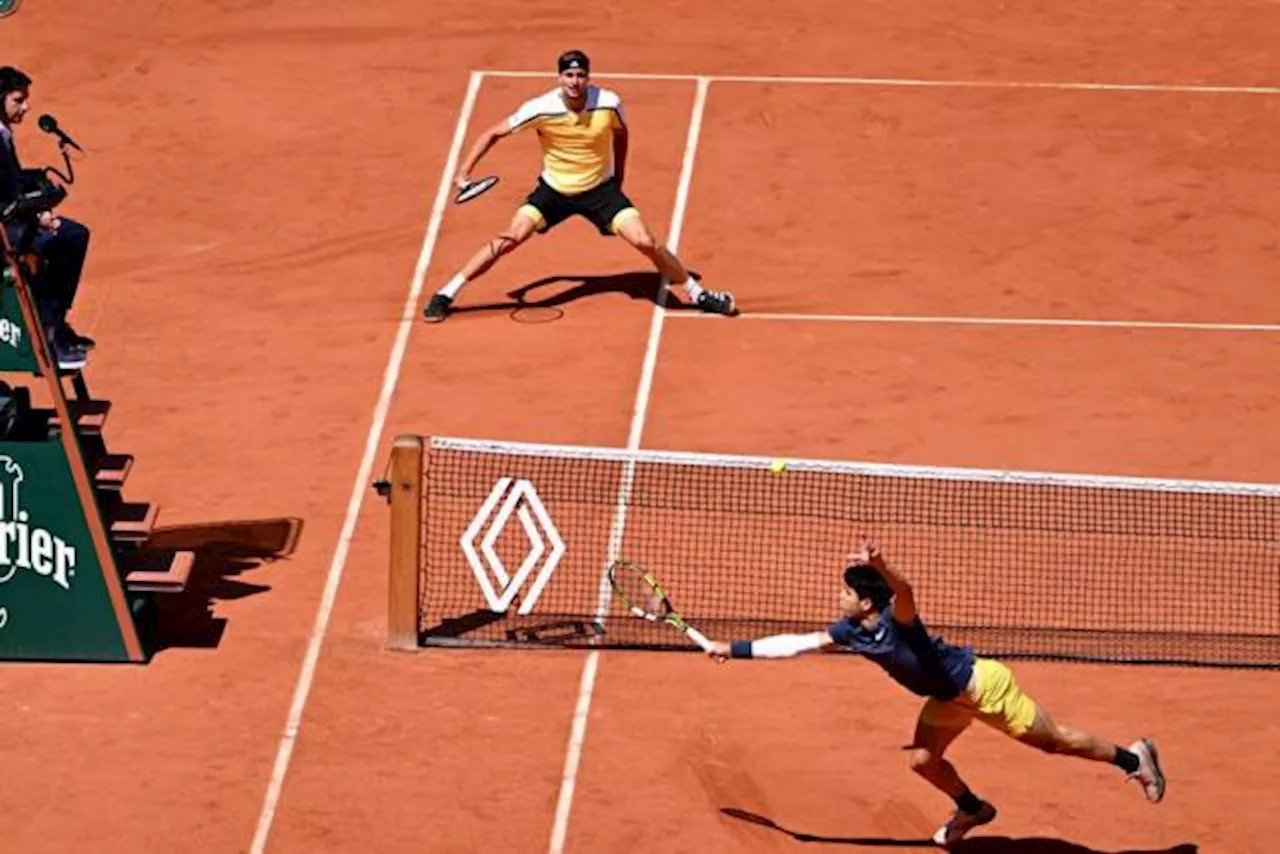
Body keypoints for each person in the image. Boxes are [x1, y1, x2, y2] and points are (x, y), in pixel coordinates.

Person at [705, 540, 1166, 848]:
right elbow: (796, 644)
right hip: (947, 701)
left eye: (846, 592)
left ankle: (1134, 758)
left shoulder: (899, 620)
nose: (839, 598)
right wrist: (734, 649)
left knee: (1055, 742)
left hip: (984, 687)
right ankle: (972, 808)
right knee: (924, 763)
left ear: (867, 601)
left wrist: (880, 565)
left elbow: (905, 590)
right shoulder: (850, 630)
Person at [423, 50, 735, 322]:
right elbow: (492, 133)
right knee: (509, 239)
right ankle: (446, 293)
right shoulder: (540, 108)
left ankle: (699, 295)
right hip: (553, 192)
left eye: (581, 75)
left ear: (588, 78)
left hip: (600, 191)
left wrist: (619, 179)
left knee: (645, 241)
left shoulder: (609, 103)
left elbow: (621, 137)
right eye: (569, 75)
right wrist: (463, 172)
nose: (575, 81)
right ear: (559, 78)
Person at [0, 65, 94, 371]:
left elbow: (10, 182)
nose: (26, 107)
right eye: (18, 100)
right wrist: (37, 216)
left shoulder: (2, 132)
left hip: (15, 223)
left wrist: (37, 185)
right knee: (67, 238)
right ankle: (49, 333)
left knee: (71, 234)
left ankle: (54, 322)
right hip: (7, 236)